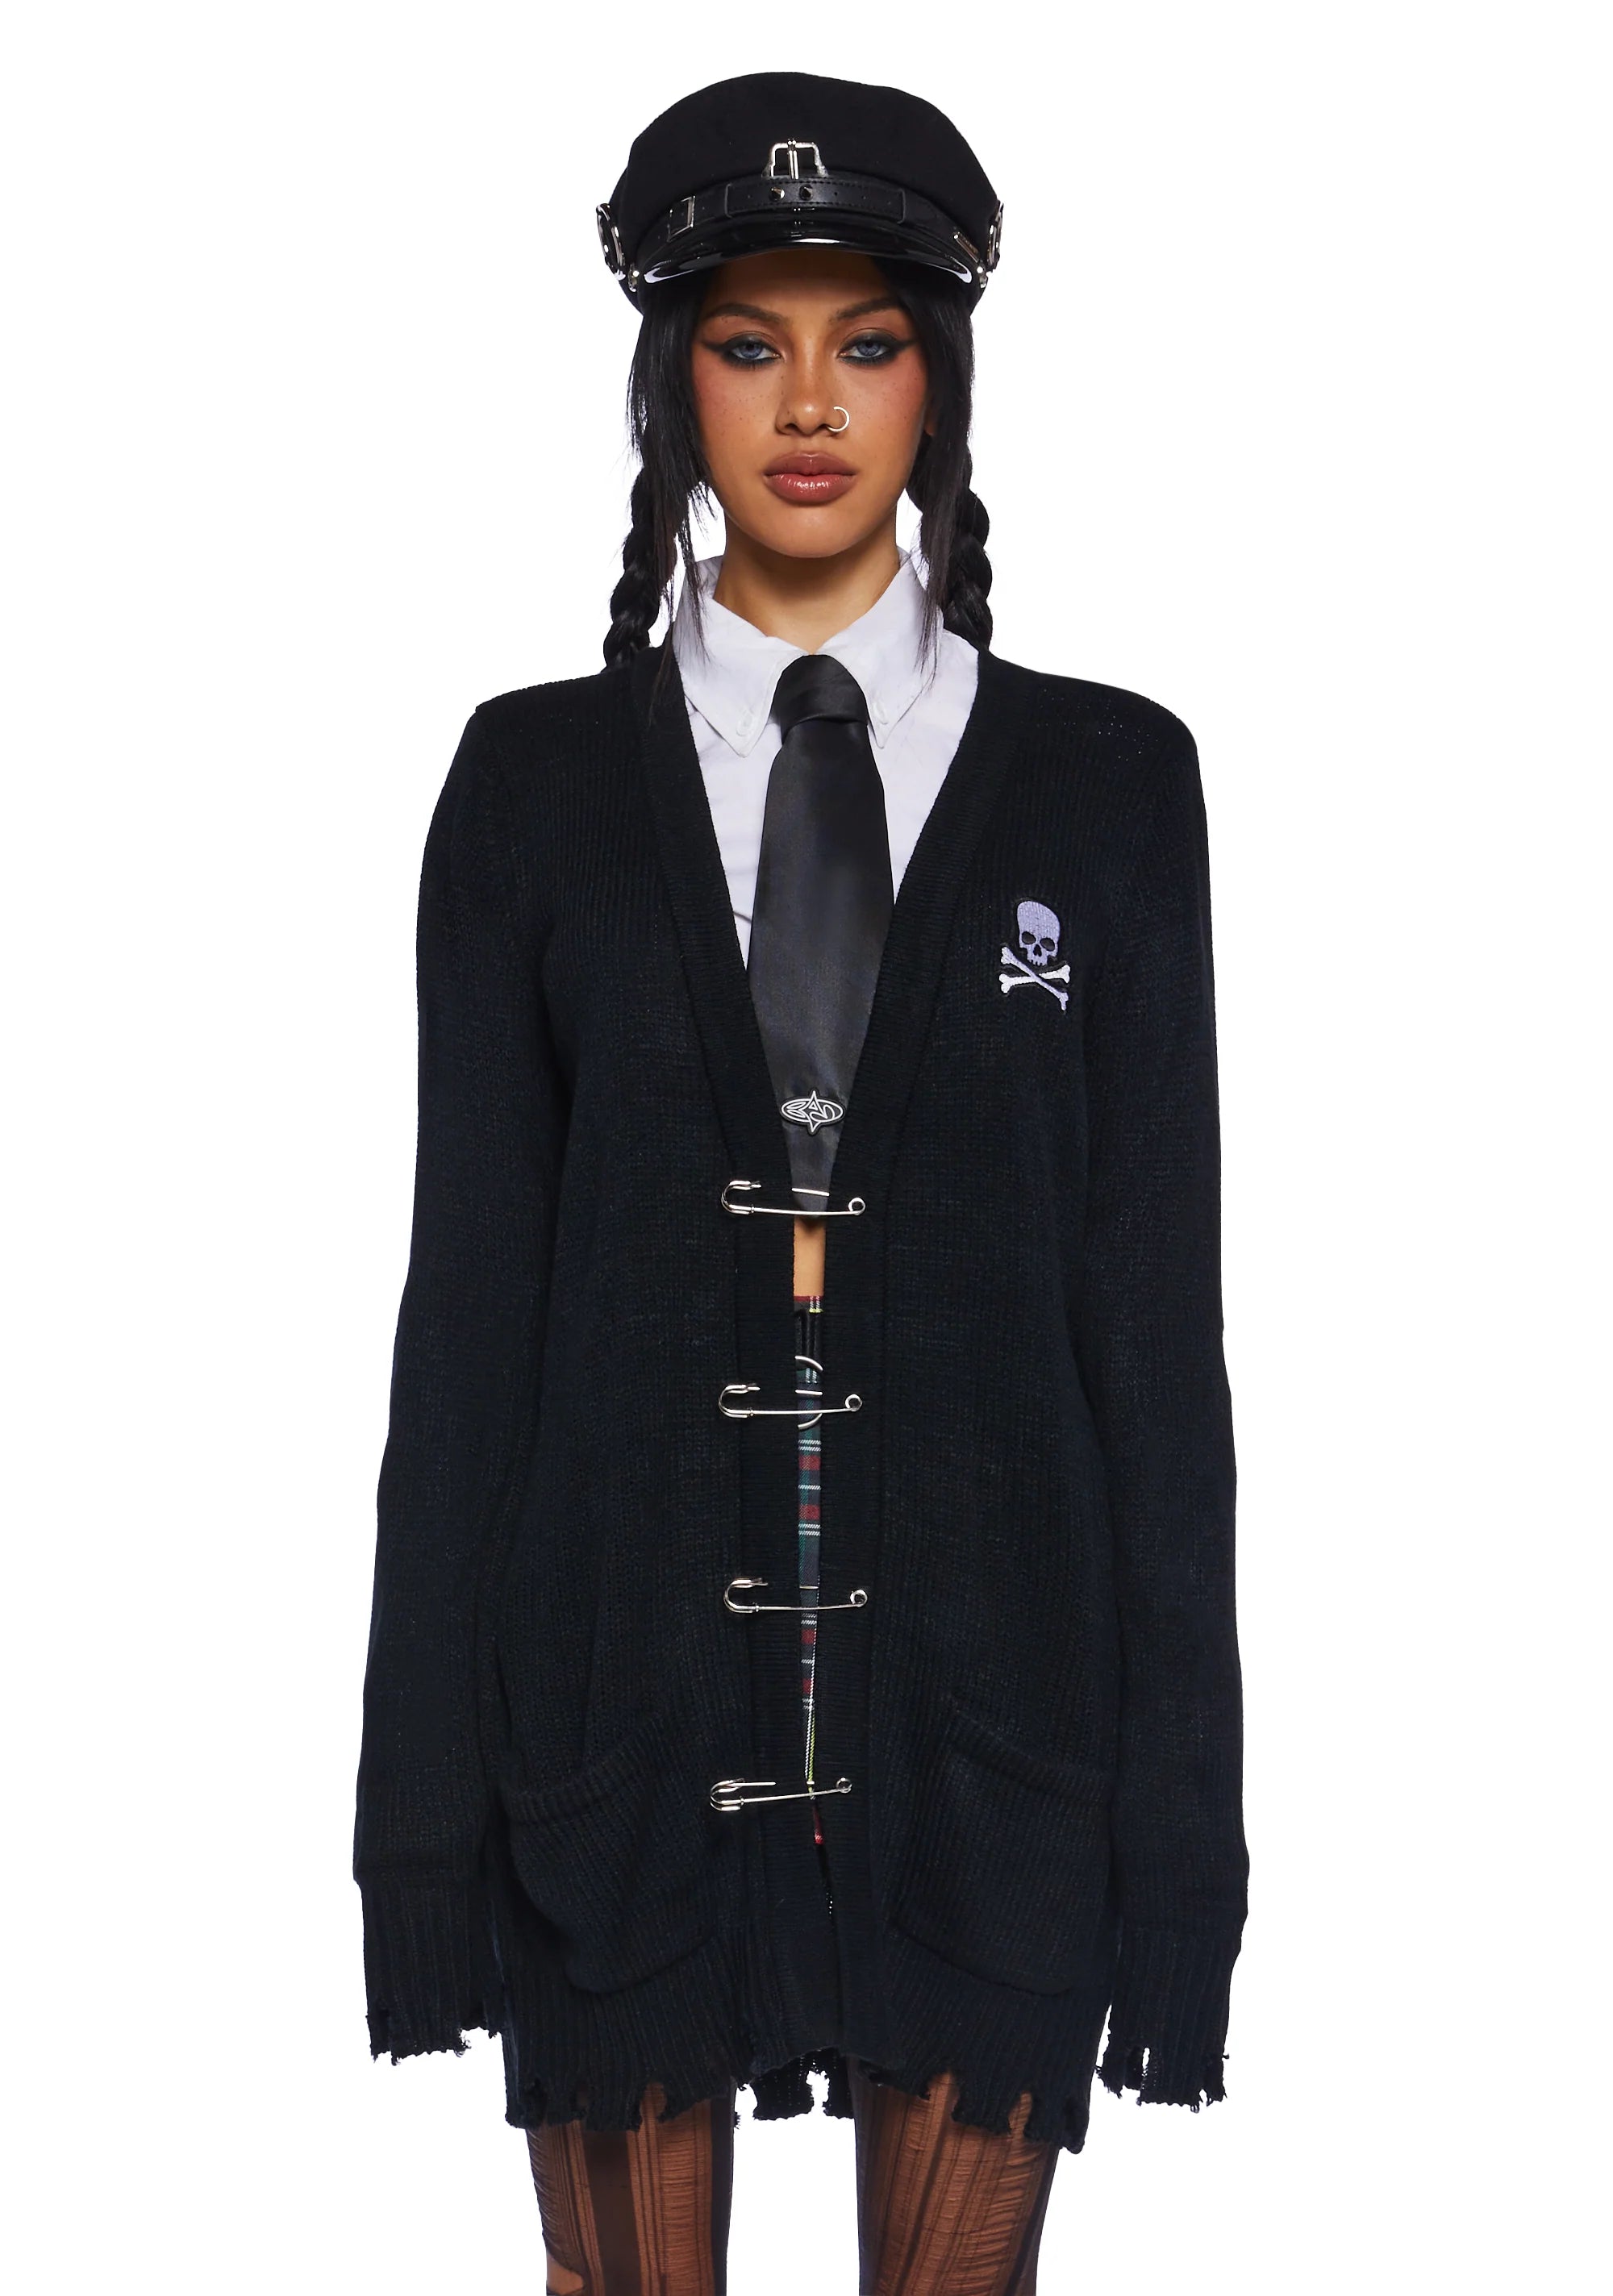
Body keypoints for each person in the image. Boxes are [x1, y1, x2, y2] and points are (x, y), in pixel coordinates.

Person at [353, 70, 1248, 2294]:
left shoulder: (1113, 787)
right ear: (675, 380)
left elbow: (1158, 1353)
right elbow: (466, 1328)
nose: (814, 405)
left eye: (871, 341)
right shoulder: (532, 787)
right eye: (750, 343)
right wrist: (420, 1833)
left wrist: (1182, 1849)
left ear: (944, 383)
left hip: (997, 1731)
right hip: (615, 1732)